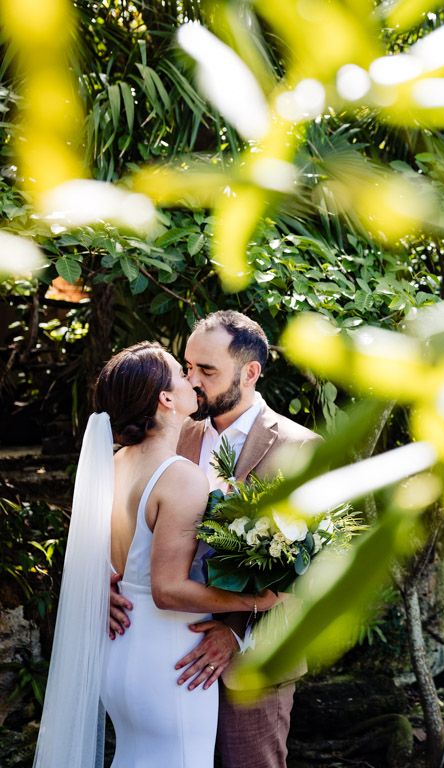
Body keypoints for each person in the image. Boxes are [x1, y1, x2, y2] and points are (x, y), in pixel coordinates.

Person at [33, 342, 281, 768]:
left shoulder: (114, 464)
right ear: (166, 399)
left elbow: (113, 560)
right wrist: (257, 600)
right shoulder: (179, 475)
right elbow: (167, 590)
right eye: (182, 374)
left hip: (121, 649)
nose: (192, 381)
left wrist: (101, 585)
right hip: (171, 661)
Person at [109, 311, 320, 768]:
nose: (193, 380)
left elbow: (314, 569)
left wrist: (236, 634)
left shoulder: (301, 449)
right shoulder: (170, 432)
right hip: (166, 656)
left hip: (251, 666)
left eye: (207, 370)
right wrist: (107, 582)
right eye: (188, 367)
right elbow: (128, 519)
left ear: (250, 373)